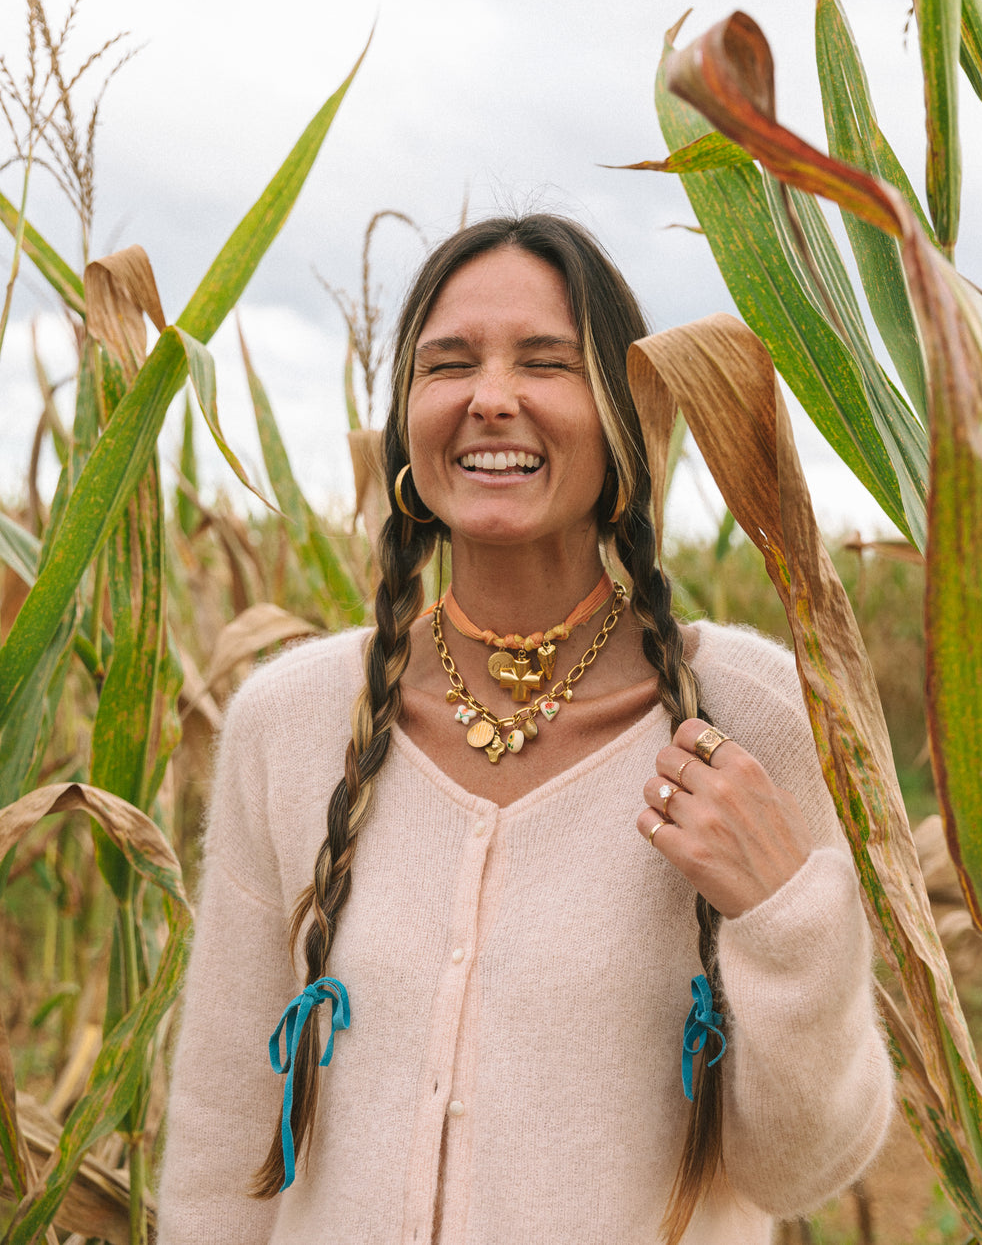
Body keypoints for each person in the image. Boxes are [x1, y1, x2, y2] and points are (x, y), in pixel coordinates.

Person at [159, 214, 893, 1244]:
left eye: (545, 364)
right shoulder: (287, 722)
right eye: (447, 364)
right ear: (408, 423)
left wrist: (780, 914)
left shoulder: (754, 716)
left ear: (625, 415)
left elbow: (797, 1170)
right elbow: (218, 1134)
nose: (489, 397)